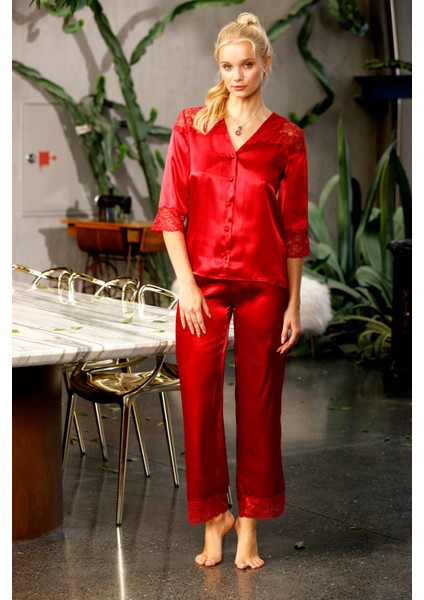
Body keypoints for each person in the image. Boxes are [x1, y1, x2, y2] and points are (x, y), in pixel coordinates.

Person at [152, 11, 309, 570]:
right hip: (202, 287)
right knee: (197, 403)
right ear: (218, 67)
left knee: (260, 407)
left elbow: (295, 231)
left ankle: (249, 525)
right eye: (227, 66)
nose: (237, 75)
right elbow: (170, 214)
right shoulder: (190, 126)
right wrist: (187, 286)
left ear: (265, 64)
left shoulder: (288, 139)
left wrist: (294, 302)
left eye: (246, 65)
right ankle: (213, 517)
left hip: (265, 286)